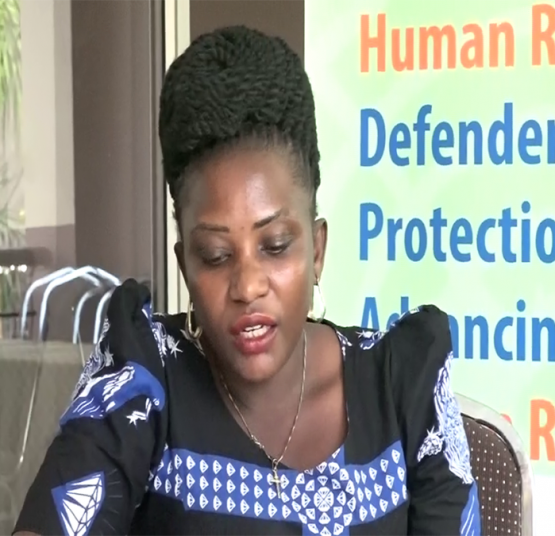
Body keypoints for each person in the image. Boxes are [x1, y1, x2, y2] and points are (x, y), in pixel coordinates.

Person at [13, 26, 481, 536]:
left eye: (275, 245)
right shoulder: (141, 382)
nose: (248, 285)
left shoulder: (403, 387)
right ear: (185, 266)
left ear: (317, 250)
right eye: (216, 256)